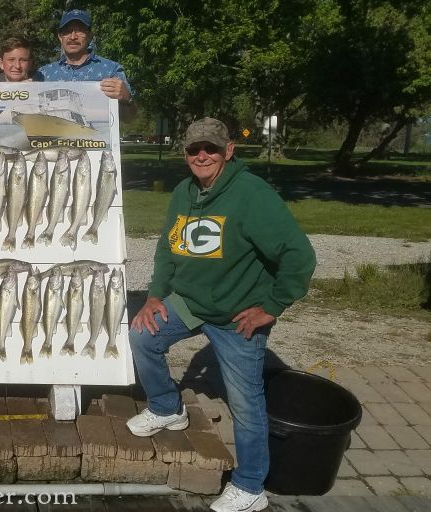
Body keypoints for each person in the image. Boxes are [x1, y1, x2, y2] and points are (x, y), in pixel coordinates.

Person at [126, 117, 316, 512]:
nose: (202, 156)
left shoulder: (252, 194)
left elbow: (299, 255)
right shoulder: (183, 191)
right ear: (185, 154)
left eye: (211, 148)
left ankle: (250, 487)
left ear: (229, 151)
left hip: (236, 316)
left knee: (245, 402)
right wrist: (155, 296)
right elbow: (167, 248)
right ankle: (166, 408)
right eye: (194, 149)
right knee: (142, 336)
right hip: (192, 302)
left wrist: (273, 307)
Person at [34, 9, 132, 101]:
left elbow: (131, 117)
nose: (73, 37)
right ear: (60, 37)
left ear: (89, 36)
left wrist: (126, 98)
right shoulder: (43, 74)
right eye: (67, 31)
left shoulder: (111, 71)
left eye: (80, 31)